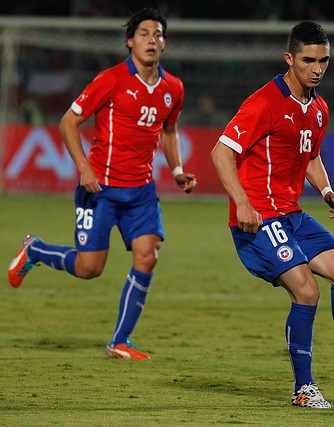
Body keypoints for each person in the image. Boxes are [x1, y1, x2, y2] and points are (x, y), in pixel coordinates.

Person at [210, 21, 334, 409]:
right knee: (307, 290)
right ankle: (303, 388)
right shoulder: (264, 102)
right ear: (289, 58)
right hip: (257, 219)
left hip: (290, 214)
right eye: (308, 59)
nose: (317, 68)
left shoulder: (319, 108)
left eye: (323, 60)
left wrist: (326, 191)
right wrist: (241, 201)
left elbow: (309, 155)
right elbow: (221, 152)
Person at [7, 8, 196, 359]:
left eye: (157, 34)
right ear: (129, 41)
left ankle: (119, 341)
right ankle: (35, 250)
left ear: (165, 42)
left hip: (141, 192)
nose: (151, 39)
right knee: (88, 268)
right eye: (143, 33)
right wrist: (84, 168)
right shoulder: (110, 79)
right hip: (100, 190)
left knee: (148, 256)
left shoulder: (173, 88)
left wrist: (177, 168)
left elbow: (168, 131)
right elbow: (68, 122)